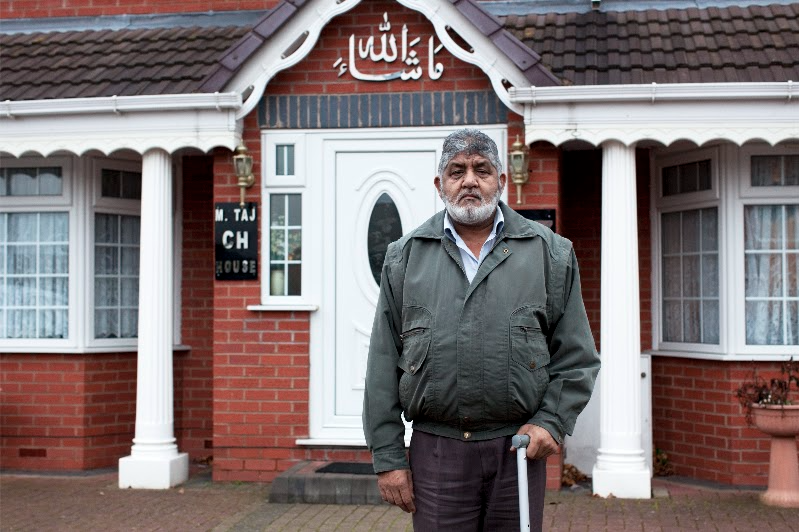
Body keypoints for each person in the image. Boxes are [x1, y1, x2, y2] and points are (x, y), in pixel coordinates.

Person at [362, 128, 600, 531]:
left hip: (518, 450)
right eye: (457, 171)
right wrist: (388, 457)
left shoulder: (550, 254)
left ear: (501, 180)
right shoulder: (405, 258)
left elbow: (577, 358)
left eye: (482, 170)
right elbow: (382, 364)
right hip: (437, 453)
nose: (469, 181)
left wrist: (551, 421)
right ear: (439, 184)